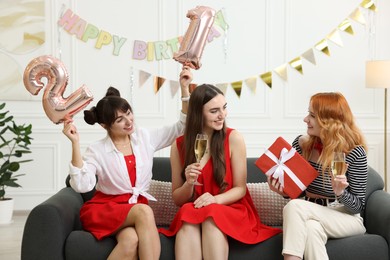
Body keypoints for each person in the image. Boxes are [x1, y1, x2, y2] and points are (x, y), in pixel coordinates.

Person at [62, 67, 192, 260]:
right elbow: (83, 184)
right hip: (105, 210)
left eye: (129, 113)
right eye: (119, 120)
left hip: (133, 210)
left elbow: (181, 128)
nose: (129, 121)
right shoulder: (96, 150)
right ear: (105, 125)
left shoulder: (144, 137)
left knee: (130, 241)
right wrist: (75, 143)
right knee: (144, 211)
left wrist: (184, 88)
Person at [159, 84, 282, 260]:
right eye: (214, 111)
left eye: (224, 108)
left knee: (211, 214)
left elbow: (240, 188)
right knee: (186, 212)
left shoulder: (234, 138)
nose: (222, 115)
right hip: (198, 207)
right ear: (198, 113)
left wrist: (214, 200)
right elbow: (178, 199)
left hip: (230, 207)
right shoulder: (178, 145)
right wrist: (188, 183)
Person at [268, 92, 368, 260]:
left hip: (345, 217)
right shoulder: (302, 145)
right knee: (311, 229)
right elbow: (299, 192)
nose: (305, 119)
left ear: (329, 121)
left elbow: (358, 206)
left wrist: (341, 193)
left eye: (312, 115)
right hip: (310, 213)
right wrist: (284, 191)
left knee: (294, 207)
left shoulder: (354, 152)